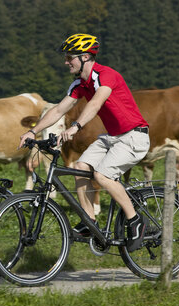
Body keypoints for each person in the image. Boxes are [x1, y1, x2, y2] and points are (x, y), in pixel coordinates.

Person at [19, 34, 150, 252]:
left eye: (70, 57)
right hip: (113, 137)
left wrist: (75, 127)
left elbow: (97, 103)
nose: (66, 62)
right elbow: (59, 109)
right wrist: (33, 131)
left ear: (86, 57)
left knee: (102, 176)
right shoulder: (80, 84)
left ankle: (136, 221)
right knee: (80, 167)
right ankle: (90, 222)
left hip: (134, 136)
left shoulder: (106, 75)